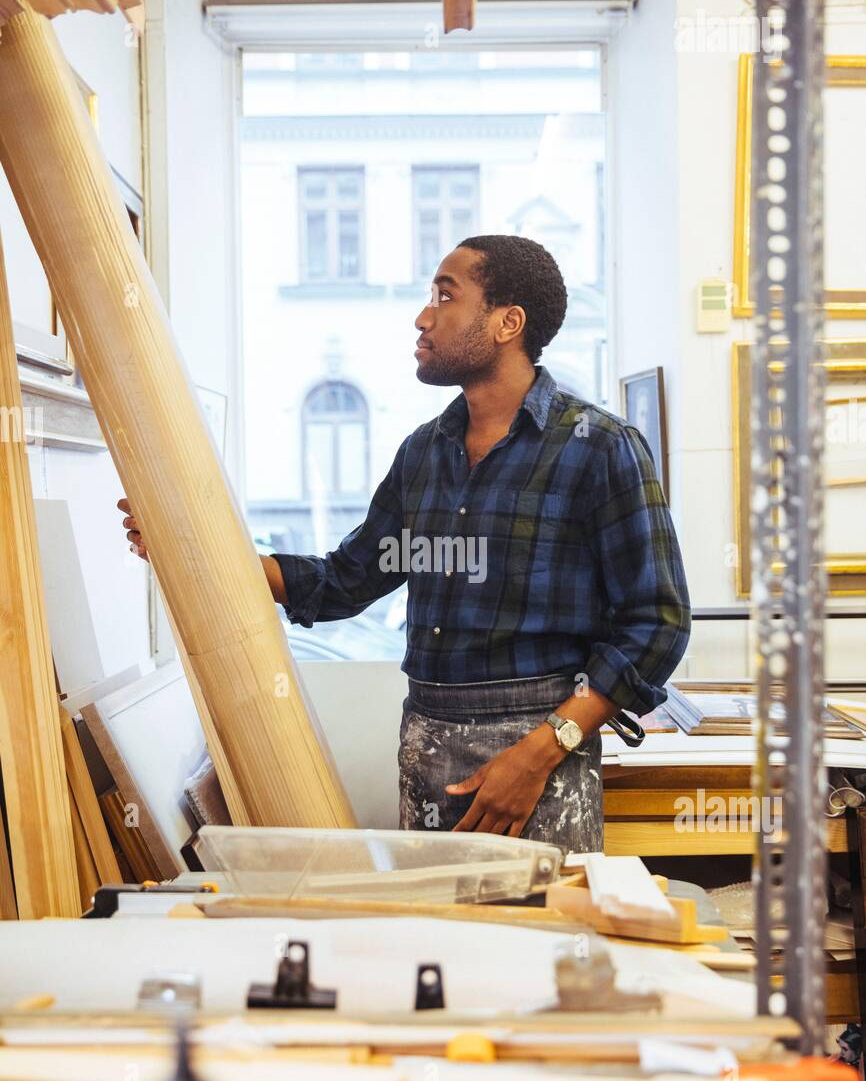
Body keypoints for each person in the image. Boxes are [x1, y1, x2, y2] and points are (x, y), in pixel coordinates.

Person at [120, 235, 691, 852]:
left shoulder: (599, 447)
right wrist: (196, 553)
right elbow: (345, 580)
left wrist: (541, 751)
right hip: (426, 743)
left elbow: (656, 622)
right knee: (438, 940)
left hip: (542, 756)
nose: (424, 317)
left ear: (509, 323)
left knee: (542, 938)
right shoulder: (424, 451)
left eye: (446, 296)